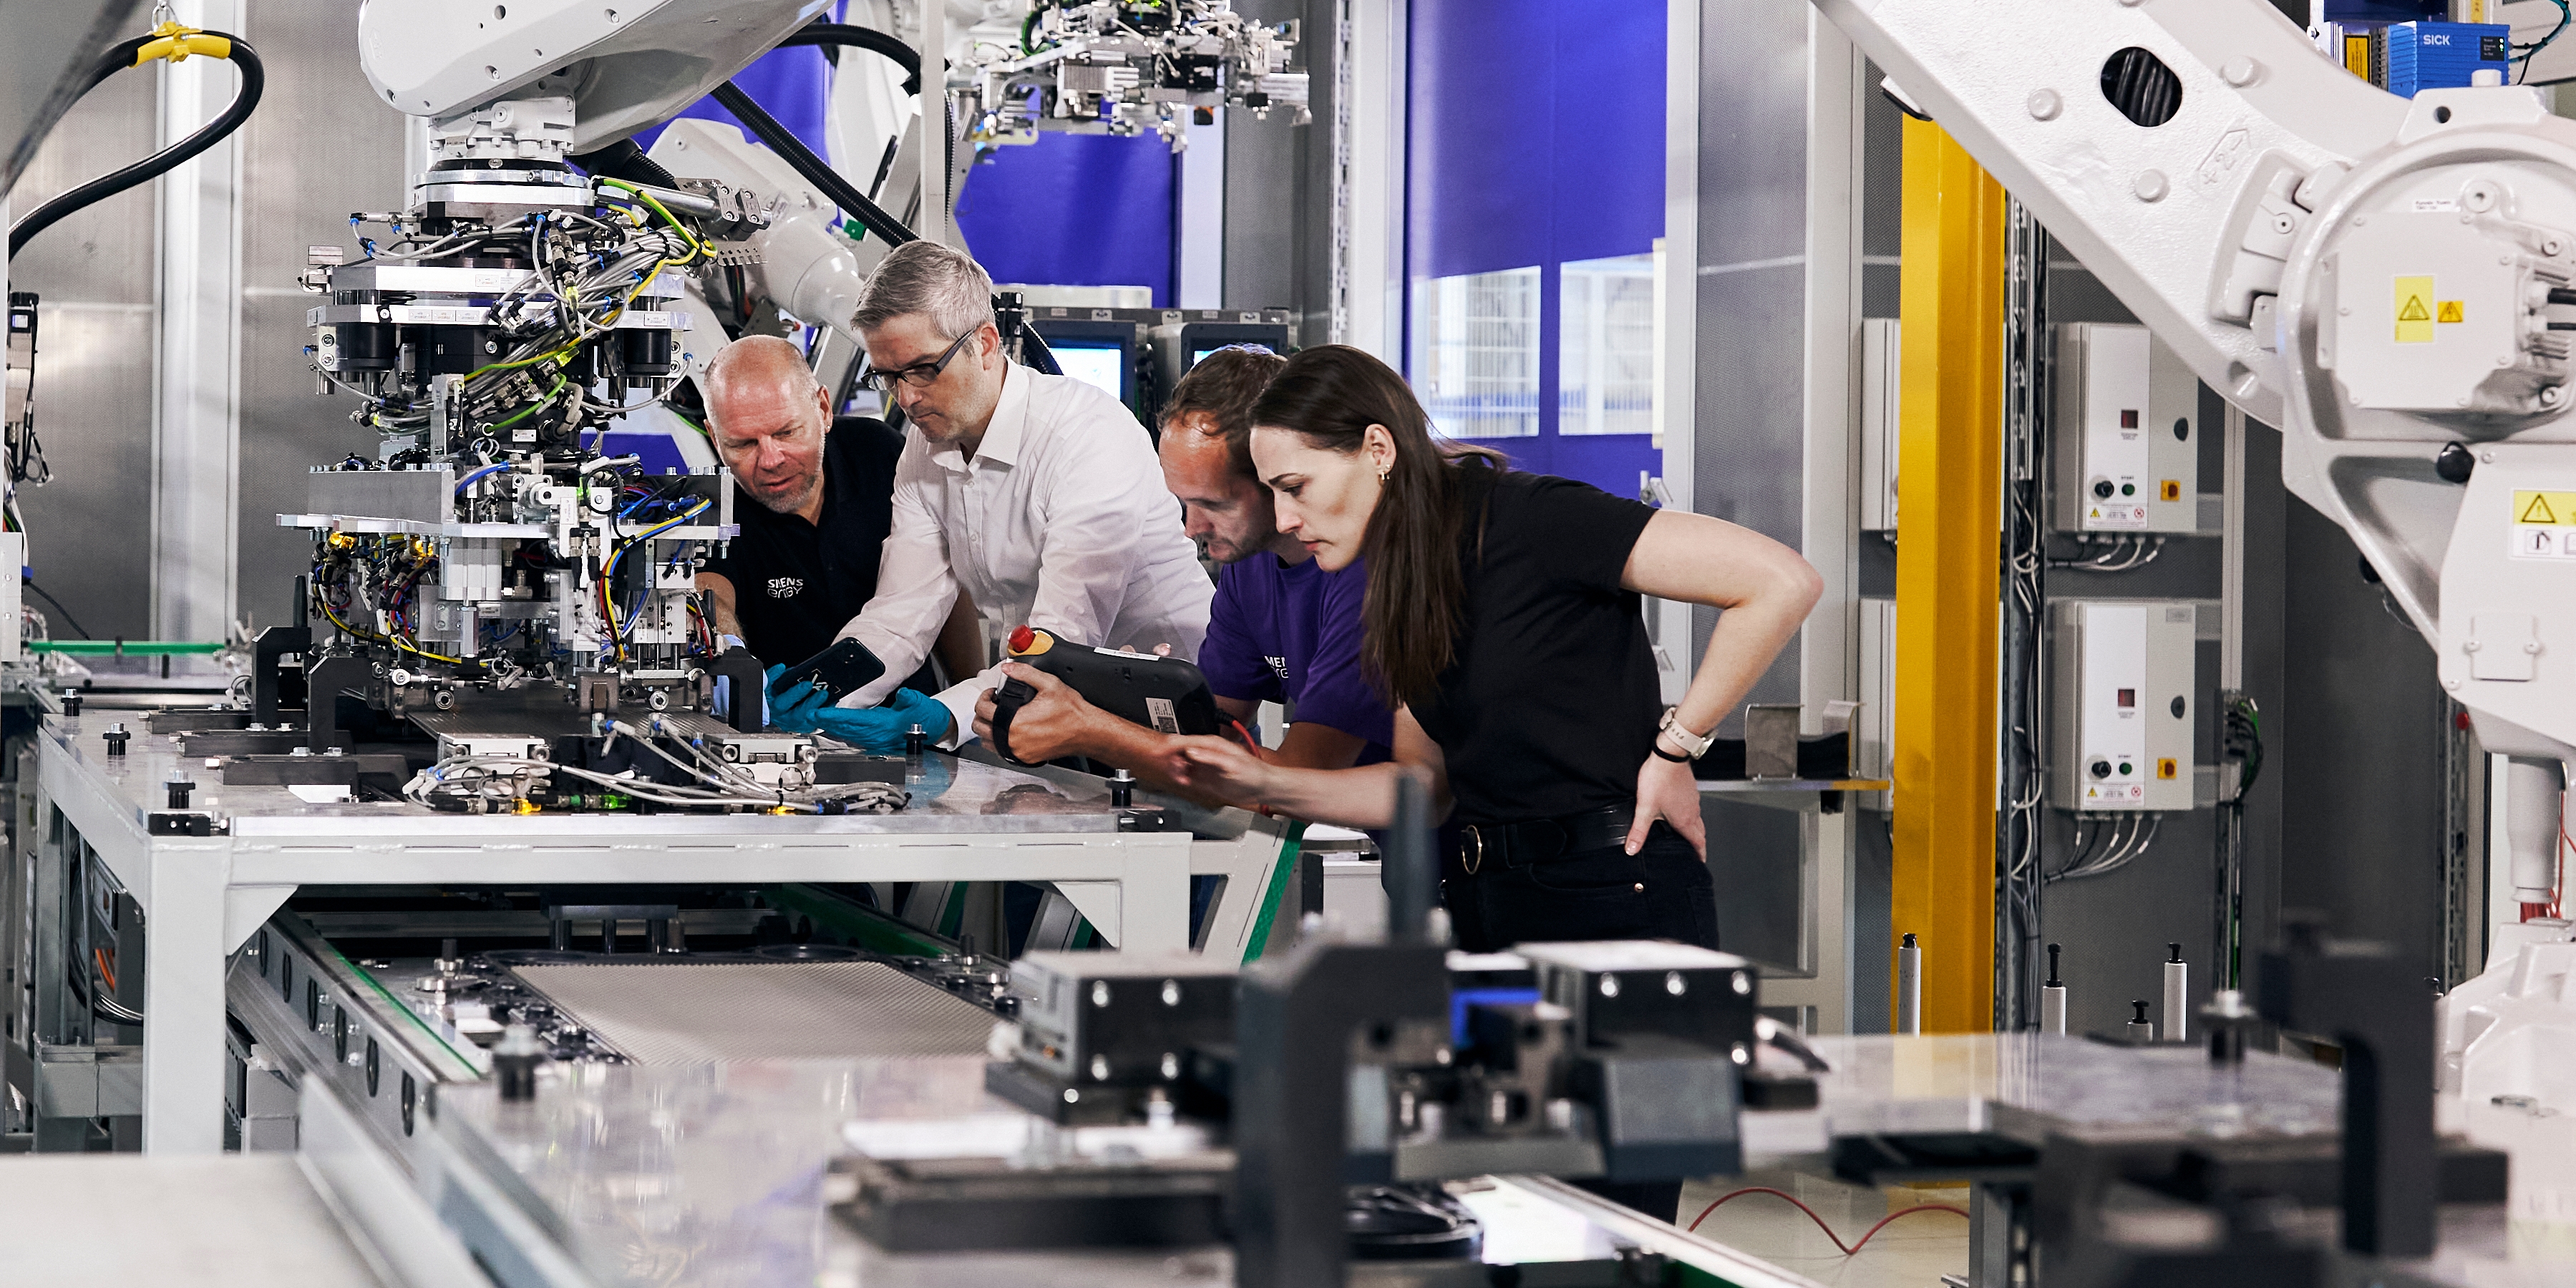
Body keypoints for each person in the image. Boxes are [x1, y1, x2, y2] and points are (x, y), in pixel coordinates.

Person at [1162, 342, 1821, 951]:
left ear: (1378, 449)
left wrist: (1677, 747)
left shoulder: (1530, 519)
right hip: (1484, 900)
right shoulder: (1402, 575)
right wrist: (1263, 781)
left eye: (1296, 489)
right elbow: (1423, 786)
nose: (1284, 520)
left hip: (1612, 893)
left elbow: (1779, 583)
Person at [764, 241, 1211, 721]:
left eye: (923, 370)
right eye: (890, 377)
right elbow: (902, 612)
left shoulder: (1086, 434)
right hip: (1053, 705)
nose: (908, 399)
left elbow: (1062, 640)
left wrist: (940, 718)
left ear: (985, 343)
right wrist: (826, 687)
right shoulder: (924, 448)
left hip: (1175, 705)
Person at [989, 344, 1386, 798]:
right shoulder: (1248, 568)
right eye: (1184, 502)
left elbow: (1296, 780)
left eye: (1212, 504)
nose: (1191, 529)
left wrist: (1093, 731)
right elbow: (1213, 737)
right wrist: (1125, 706)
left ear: (1272, 473)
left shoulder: (1363, 573)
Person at [689, 334, 903, 670]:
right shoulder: (711, 502)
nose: (771, 460)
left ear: (823, 409)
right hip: (782, 717)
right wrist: (727, 653)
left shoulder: (880, 454)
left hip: (907, 714)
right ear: (715, 439)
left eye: (786, 433)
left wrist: (962, 701)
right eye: (743, 444)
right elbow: (710, 594)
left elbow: (943, 581)